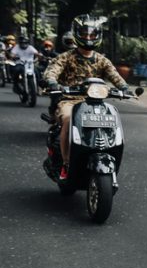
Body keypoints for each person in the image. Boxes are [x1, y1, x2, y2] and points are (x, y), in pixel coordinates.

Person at [43, 14, 130, 181]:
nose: (88, 38)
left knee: (111, 120)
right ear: (76, 34)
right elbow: (52, 71)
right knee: (68, 119)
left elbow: (115, 76)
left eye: (92, 34)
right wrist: (52, 82)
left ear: (98, 35)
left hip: (95, 102)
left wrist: (124, 88)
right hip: (69, 100)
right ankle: (66, 164)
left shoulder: (102, 60)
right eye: (84, 34)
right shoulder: (66, 57)